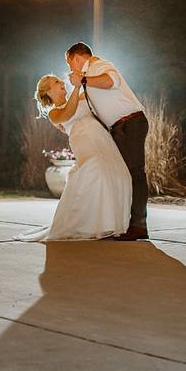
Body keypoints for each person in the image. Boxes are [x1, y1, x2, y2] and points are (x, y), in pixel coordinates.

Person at [14, 74, 131, 242]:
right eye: (56, 82)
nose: (62, 82)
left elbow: (97, 95)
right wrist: (76, 86)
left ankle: (109, 224)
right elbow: (69, 112)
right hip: (84, 142)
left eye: (60, 80)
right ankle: (84, 224)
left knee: (118, 173)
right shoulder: (54, 113)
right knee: (94, 171)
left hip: (102, 139)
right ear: (48, 91)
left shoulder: (82, 96)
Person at [65, 42, 149, 241]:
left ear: (77, 58)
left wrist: (82, 78)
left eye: (70, 64)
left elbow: (111, 81)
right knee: (120, 174)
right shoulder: (89, 80)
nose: (71, 70)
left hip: (130, 124)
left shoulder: (98, 66)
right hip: (119, 129)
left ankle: (138, 225)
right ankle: (120, 223)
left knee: (135, 173)